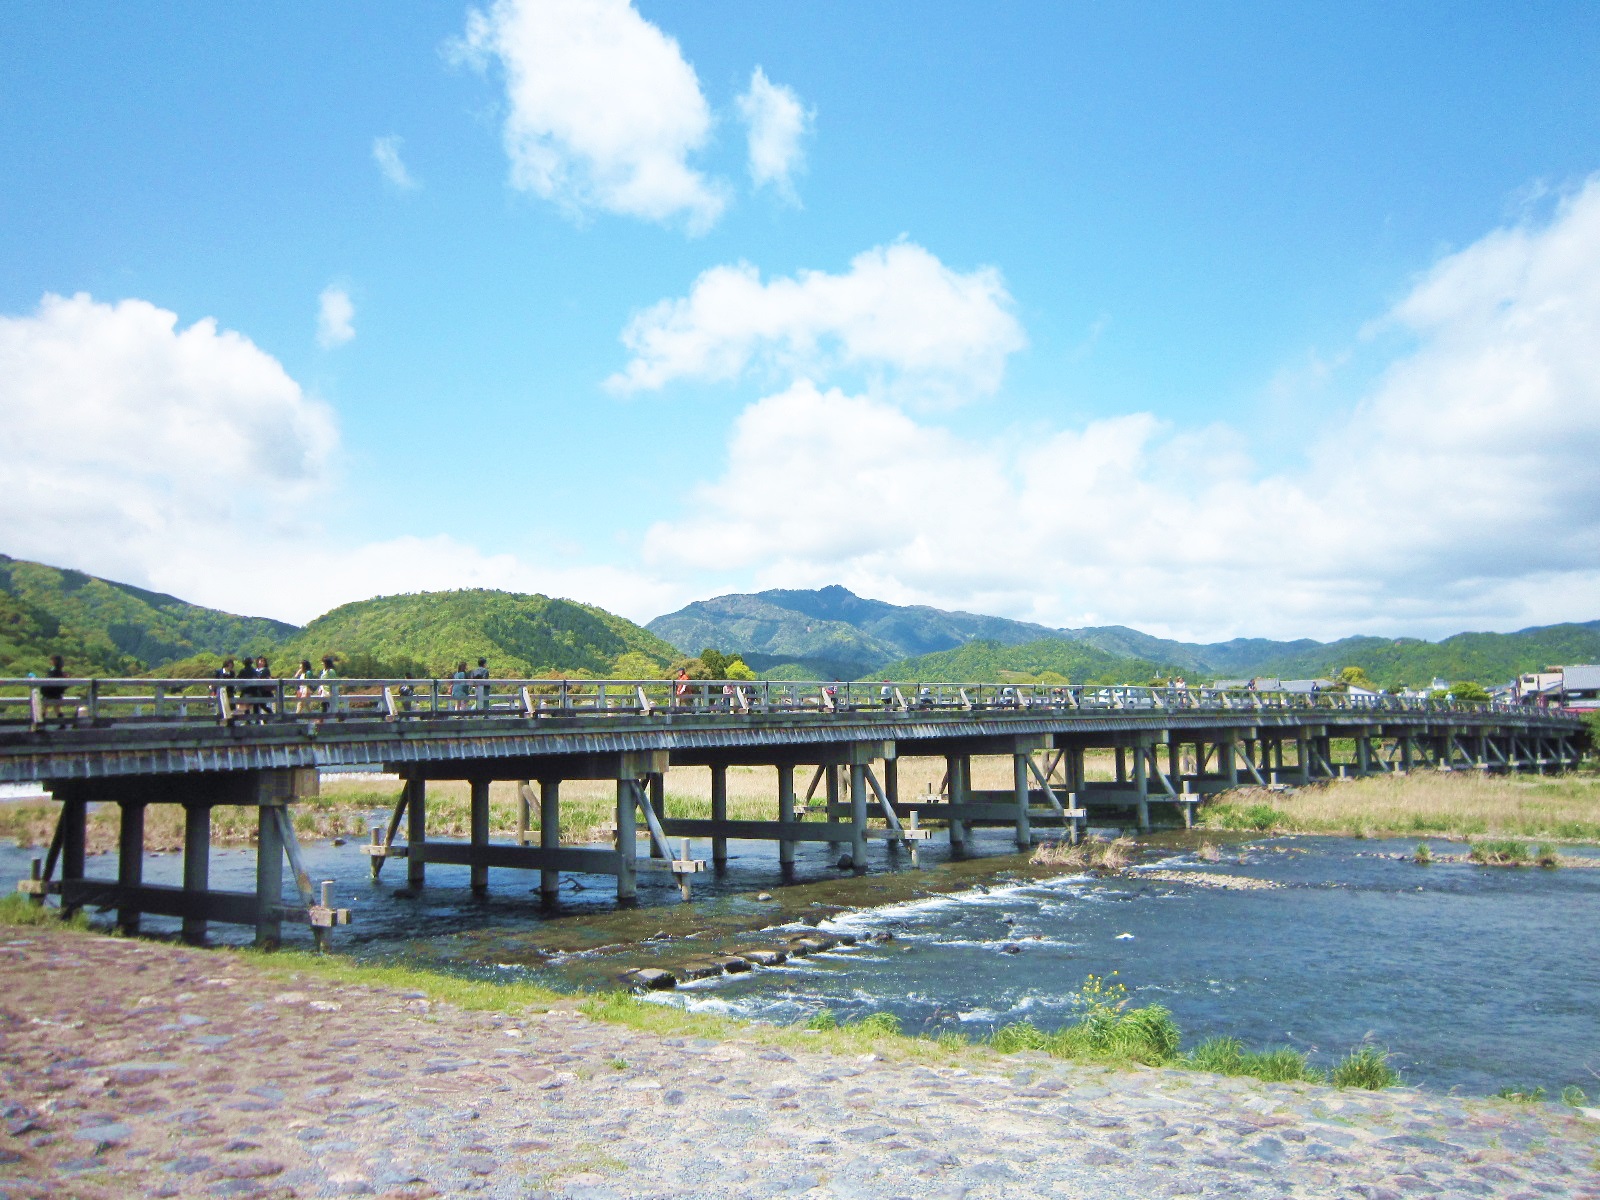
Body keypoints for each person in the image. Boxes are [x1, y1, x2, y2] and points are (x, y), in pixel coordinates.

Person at [41, 655, 67, 721]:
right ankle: (62, 724)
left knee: (45, 707)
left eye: (53, 660)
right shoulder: (58, 670)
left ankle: (41, 723)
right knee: (56, 708)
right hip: (55, 693)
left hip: (51, 693)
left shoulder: (56, 671)